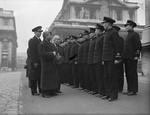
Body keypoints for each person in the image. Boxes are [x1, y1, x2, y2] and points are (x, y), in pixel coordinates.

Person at [101, 17, 121, 101]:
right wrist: (103, 59)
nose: (103, 25)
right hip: (106, 58)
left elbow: (117, 46)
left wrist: (117, 58)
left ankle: (113, 95)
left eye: (104, 23)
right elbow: (104, 48)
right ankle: (108, 94)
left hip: (112, 59)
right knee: (106, 77)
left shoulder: (114, 32)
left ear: (108, 24)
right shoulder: (106, 33)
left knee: (112, 77)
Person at [123, 20, 142, 96]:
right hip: (127, 58)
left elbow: (138, 46)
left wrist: (136, 56)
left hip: (132, 58)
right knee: (128, 74)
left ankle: (133, 90)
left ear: (131, 26)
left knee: (132, 74)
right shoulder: (128, 35)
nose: (126, 27)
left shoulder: (135, 34)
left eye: (127, 26)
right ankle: (129, 89)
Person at [39, 31, 59, 97]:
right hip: (46, 63)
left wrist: (56, 55)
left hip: (52, 63)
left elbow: (55, 51)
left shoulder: (51, 44)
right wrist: (52, 54)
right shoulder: (42, 44)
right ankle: (44, 93)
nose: (50, 37)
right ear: (45, 36)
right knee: (46, 78)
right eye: (49, 35)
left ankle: (51, 91)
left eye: (50, 35)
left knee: (51, 78)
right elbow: (42, 54)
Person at [28, 26, 43, 96]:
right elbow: (32, 52)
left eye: (40, 32)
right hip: (35, 62)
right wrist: (34, 62)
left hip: (40, 62)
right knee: (34, 77)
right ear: (35, 32)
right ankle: (34, 91)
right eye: (39, 32)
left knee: (39, 76)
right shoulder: (32, 41)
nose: (40, 33)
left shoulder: (40, 40)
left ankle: (40, 90)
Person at [93, 24, 105, 96]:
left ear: (100, 30)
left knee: (101, 77)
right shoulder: (98, 38)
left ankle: (102, 92)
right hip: (96, 60)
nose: (95, 31)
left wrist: (102, 59)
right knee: (98, 76)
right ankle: (99, 91)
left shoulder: (102, 38)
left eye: (96, 30)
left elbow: (103, 50)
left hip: (100, 60)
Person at [113, 25, 124, 93]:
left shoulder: (120, 39)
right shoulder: (113, 38)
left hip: (118, 59)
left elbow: (122, 50)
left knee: (119, 74)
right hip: (112, 59)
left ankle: (120, 88)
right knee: (114, 74)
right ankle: (115, 87)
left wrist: (118, 59)